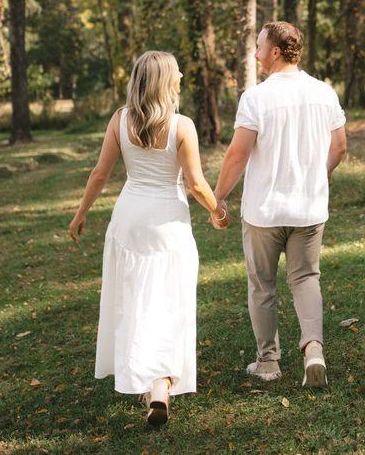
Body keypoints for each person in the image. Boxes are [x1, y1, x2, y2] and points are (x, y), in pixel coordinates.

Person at [67, 51, 228, 426]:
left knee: (134, 301)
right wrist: (217, 212)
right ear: (164, 81)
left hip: (129, 220)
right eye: (176, 73)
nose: (181, 76)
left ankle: (146, 380)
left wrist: (81, 213)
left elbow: (100, 173)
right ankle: (160, 384)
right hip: (168, 223)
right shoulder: (181, 126)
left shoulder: (119, 120)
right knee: (169, 301)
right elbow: (195, 184)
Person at [214, 21, 348, 387]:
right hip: (309, 209)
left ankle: (268, 362)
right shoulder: (324, 92)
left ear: (274, 51)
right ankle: (314, 350)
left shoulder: (256, 98)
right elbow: (339, 147)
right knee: (305, 278)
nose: (256, 52)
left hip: (265, 211)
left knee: (263, 285)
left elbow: (237, 154)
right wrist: (319, 175)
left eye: (259, 46)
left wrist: (218, 197)